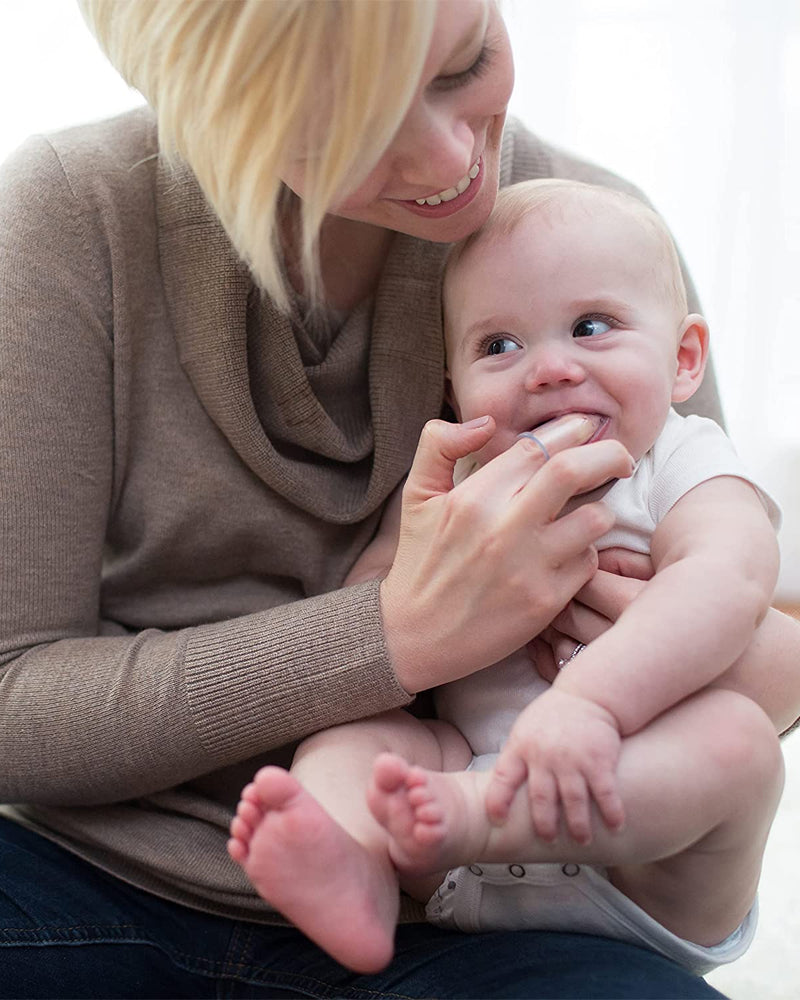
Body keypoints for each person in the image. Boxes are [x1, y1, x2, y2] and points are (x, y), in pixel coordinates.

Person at [0, 1, 797, 997]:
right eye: (353, 131)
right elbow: (11, 700)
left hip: (480, 903)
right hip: (91, 878)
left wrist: (633, 643)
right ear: (201, 105)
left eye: (466, 64)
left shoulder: (596, 239)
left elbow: (764, 660)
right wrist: (397, 633)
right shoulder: (76, 219)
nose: (448, 159)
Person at [227, 178, 784, 977]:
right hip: (459, 822)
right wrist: (408, 586)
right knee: (353, 741)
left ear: (684, 358)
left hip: (647, 871)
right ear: (455, 387)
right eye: (499, 346)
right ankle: (353, 866)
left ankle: (479, 818)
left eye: (592, 328)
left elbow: (728, 578)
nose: (550, 369)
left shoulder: (681, 459)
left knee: (736, 745)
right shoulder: (468, 480)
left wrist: (593, 703)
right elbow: (375, 617)